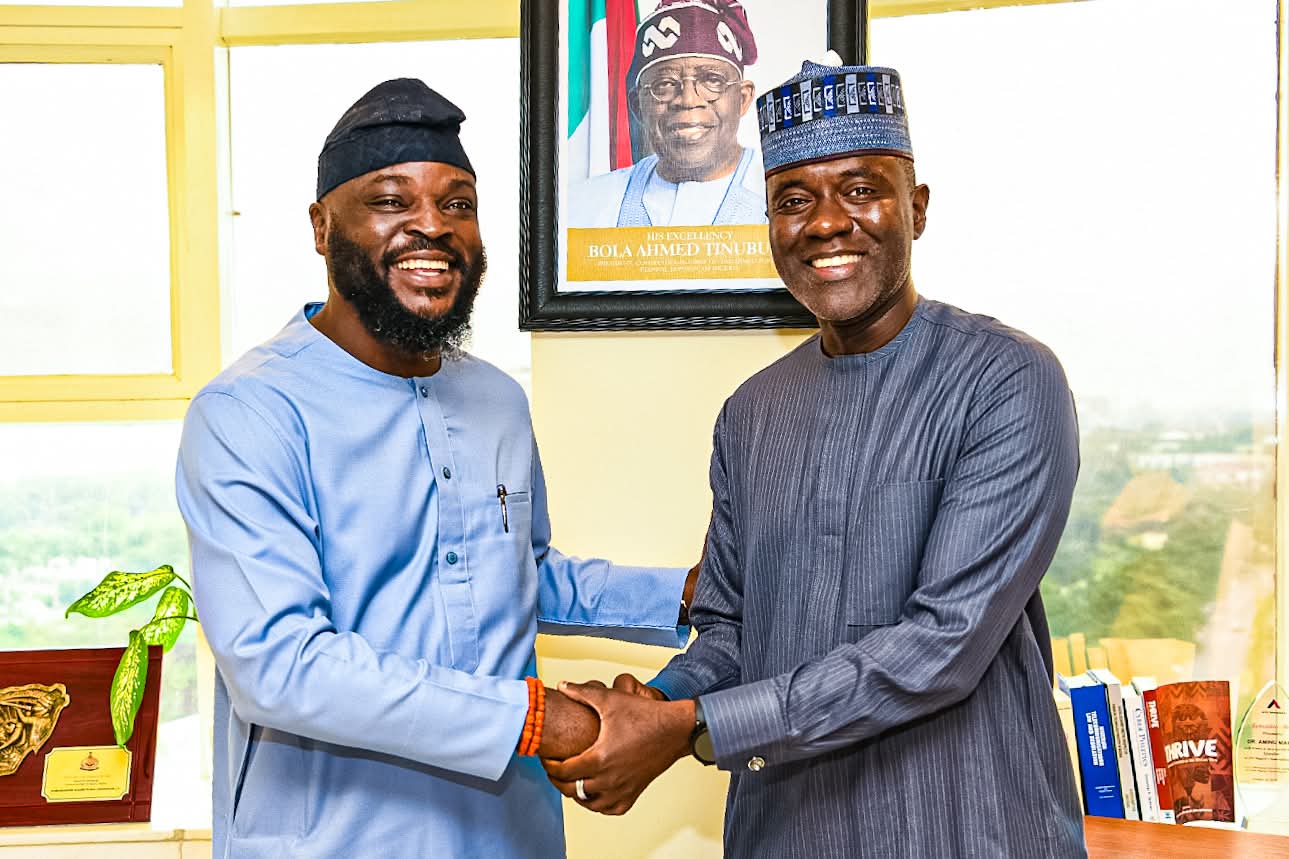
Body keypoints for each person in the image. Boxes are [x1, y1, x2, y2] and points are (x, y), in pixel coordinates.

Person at [544, 58, 1088, 858]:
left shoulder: (1004, 379)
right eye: (793, 200)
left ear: (917, 208)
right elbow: (729, 633)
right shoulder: (751, 413)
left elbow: (940, 645)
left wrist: (685, 725)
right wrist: (644, 707)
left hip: (960, 826)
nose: (827, 222)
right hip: (785, 832)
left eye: (861, 189)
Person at [175, 78, 695, 858]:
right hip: (339, 841)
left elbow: (518, 574)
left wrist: (684, 593)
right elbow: (280, 662)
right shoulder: (248, 412)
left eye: (457, 204)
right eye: (391, 200)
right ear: (321, 226)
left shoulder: (494, 398)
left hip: (505, 835)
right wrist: (537, 718)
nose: (432, 225)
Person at [568, 0, 765, 228]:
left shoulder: (781, 194)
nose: (688, 100)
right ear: (638, 106)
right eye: (664, 84)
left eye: (712, 80)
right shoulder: (585, 206)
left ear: (742, 99)